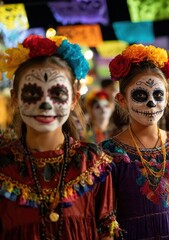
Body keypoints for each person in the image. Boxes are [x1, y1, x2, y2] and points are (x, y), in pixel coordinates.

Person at [0, 35, 121, 240]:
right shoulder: (3, 165)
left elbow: (107, 229)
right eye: (32, 93)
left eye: (57, 94)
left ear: (74, 99)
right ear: (15, 98)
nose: (46, 104)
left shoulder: (92, 162)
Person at [100, 44, 169, 239]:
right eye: (140, 95)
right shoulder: (109, 153)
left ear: (167, 98)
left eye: (158, 95)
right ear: (122, 100)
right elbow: (107, 216)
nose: (151, 103)